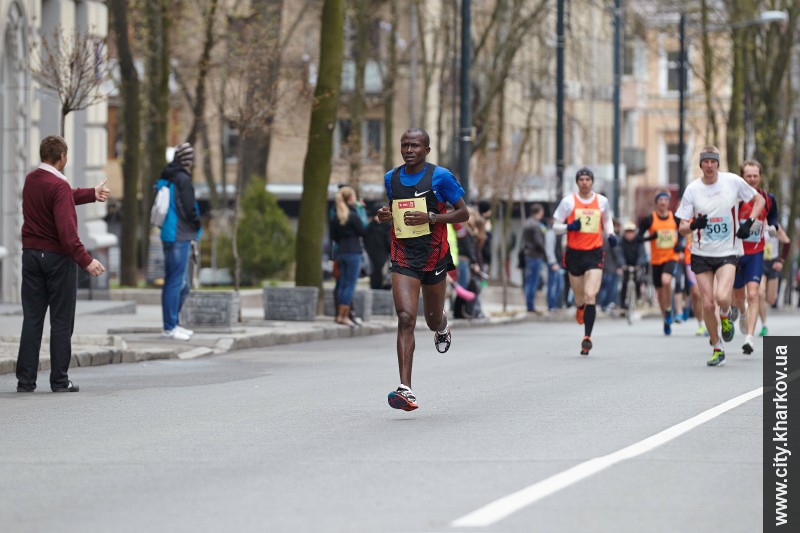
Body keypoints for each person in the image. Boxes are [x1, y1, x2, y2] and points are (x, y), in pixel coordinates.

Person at [376, 128, 469, 411]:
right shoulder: (391, 178)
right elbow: (394, 209)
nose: (408, 149)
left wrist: (432, 216)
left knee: (430, 319)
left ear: (426, 150)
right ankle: (406, 389)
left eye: (415, 145)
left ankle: (441, 326)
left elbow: (463, 213)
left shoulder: (440, 177)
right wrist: (385, 215)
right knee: (405, 317)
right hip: (404, 254)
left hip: (434, 255)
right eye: (404, 144)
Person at [16, 135, 107, 393]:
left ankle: (25, 381)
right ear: (62, 158)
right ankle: (59, 380)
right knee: (61, 320)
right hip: (57, 259)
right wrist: (86, 261)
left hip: (31, 255)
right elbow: (67, 233)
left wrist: (91, 193)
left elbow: (61, 196)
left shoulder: (31, 180)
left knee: (32, 319)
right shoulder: (58, 186)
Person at [675, 146, 765, 366]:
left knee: (723, 297)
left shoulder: (732, 181)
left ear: (717, 164)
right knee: (707, 304)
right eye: (705, 162)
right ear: (700, 165)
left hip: (727, 251)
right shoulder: (693, 189)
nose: (708, 166)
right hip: (701, 253)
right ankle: (717, 347)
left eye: (712, 162)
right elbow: (681, 227)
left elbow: (759, 201)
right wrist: (694, 224)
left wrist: (749, 222)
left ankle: (725, 315)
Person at [553, 167, 617, 355]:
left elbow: (607, 220)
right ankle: (580, 308)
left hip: (595, 253)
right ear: (577, 182)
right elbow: (555, 226)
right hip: (574, 254)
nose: (584, 182)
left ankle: (587, 337)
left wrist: (611, 234)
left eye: (587, 179)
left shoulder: (602, 201)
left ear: (592, 181)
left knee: (591, 295)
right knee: (580, 297)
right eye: (581, 179)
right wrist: (569, 226)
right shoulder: (568, 202)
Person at [730, 160, 780, 354]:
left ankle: (749, 338)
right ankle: (741, 312)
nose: (752, 179)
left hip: (755, 253)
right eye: (748, 176)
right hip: (735, 253)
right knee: (738, 296)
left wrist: (773, 226)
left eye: (755, 176)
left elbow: (773, 215)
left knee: (753, 294)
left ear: (760, 177)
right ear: (742, 177)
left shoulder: (767, 198)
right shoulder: (735, 198)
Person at [158, 142, 201, 341]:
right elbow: (189, 207)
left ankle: (173, 324)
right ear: (187, 160)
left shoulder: (166, 177)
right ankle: (170, 326)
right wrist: (196, 224)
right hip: (179, 234)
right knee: (177, 282)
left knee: (177, 283)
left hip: (169, 233)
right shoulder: (182, 179)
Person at [636, 191, 684, 335]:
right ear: (656, 202)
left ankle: (669, 308)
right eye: (660, 200)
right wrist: (650, 237)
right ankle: (666, 318)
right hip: (656, 260)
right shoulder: (650, 219)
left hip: (671, 257)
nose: (663, 202)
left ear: (669, 202)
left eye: (665, 200)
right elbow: (638, 238)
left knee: (666, 281)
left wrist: (680, 245)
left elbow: (683, 234)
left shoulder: (674, 218)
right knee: (659, 293)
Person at [330, 186, 366, 326]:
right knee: (350, 285)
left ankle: (340, 315)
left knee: (342, 284)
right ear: (351, 198)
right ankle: (344, 316)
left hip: (341, 252)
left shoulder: (336, 216)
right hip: (353, 252)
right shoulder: (353, 215)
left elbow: (334, 236)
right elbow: (363, 230)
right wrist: (361, 209)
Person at [757, 224, 790, 336]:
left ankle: (758, 306)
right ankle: (764, 325)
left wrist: (781, 261)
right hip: (759, 262)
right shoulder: (756, 224)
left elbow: (786, 241)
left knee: (771, 300)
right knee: (760, 293)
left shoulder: (774, 225)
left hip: (773, 263)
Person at [521, 203, 546, 313]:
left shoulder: (527, 223)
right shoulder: (536, 225)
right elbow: (538, 242)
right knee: (533, 282)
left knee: (528, 281)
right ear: (538, 212)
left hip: (528, 255)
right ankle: (530, 306)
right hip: (535, 255)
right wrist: (544, 251)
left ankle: (528, 304)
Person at [363, 203, 392, 290]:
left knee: (378, 281)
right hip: (379, 258)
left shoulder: (374, 226)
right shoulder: (385, 226)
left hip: (378, 258)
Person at [544, 216, 565, 311]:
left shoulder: (559, 234)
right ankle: (551, 305)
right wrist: (552, 262)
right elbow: (549, 249)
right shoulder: (550, 233)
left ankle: (555, 305)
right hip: (553, 263)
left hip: (558, 263)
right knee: (553, 285)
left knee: (559, 285)